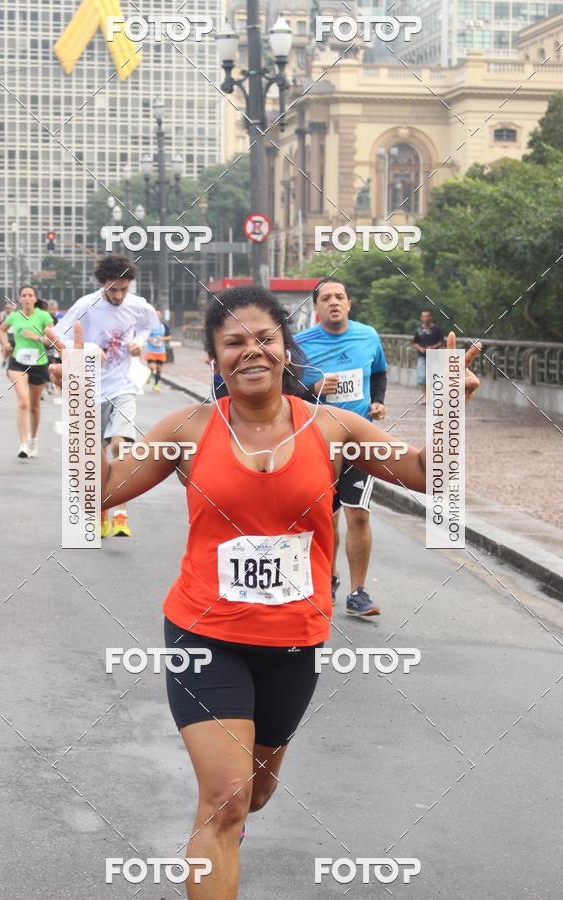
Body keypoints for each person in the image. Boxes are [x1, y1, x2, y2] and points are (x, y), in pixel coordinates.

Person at [48, 285, 481, 900]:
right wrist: (83, 406)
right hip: (204, 635)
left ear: (286, 349)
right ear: (214, 359)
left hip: (291, 640)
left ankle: (233, 827)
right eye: (233, 343)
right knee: (223, 802)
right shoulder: (190, 428)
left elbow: (427, 476)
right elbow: (95, 494)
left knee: (256, 793)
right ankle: (222, 835)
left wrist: (450, 406)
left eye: (264, 339)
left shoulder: (332, 428)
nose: (250, 351)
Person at [294, 278, 388, 617]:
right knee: (325, 519)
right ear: (316, 308)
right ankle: (328, 578)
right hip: (318, 443)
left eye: (340, 297)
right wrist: (315, 386)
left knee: (359, 515)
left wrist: (377, 401)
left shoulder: (369, 336)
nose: (334, 302)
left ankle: (358, 592)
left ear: (349, 303)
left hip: (359, 442)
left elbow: (379, 374)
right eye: (326, 298)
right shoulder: (300, 344)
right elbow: (289, 395)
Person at [53, 253, 159, 538]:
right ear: (102, 284)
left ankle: (121, 515)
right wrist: (87, 348)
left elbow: (152, 323)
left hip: (124, 386)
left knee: (121, 446)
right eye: (113, 289)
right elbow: (56, 335)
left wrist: (139, 342)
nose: (119, 295)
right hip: (91, 388)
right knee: (95, 455)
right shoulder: (87, 305)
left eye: (124, 288)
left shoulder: (137, 305)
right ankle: (101, 511)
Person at [0, 285, 54, 458]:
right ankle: (23, 444)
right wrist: (5, 343)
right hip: (18, 363)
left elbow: (52, 341)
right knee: (23, 402)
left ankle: (33, 440)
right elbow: (1, 329)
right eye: (24, 295)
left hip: (39, 363)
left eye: (30, 295)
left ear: (35, 299)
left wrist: (34, 336)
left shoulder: (44, 316)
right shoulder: (14, 316)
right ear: (19, 299)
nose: (27, 298)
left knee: (34, 406)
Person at [413, 309, 445, 395]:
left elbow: (441, 341)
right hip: (422, 356)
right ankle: (426, 397)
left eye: (427, 316)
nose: (426, 318)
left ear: (431, 317)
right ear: (421, 318)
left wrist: (432, 347)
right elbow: (415, 342)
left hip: (434, 356)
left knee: (434, 377)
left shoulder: (436, 329)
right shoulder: (418, 330)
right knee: (422, 377)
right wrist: (420, 348)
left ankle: (434, 396)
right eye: (423, 316)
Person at [144, 309, 169, 392]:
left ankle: (156, 385)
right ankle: (149, 374)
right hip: (151, 350)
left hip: (161, 351)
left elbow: (169, 337)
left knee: (159, 369)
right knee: (152, 367)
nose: (157, 317)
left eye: (158, 315)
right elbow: (145, 336)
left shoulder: (164, 326)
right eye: (155, 315)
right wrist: (149, 339)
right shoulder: (149, 326)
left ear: (161, 317)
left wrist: (162, 338)